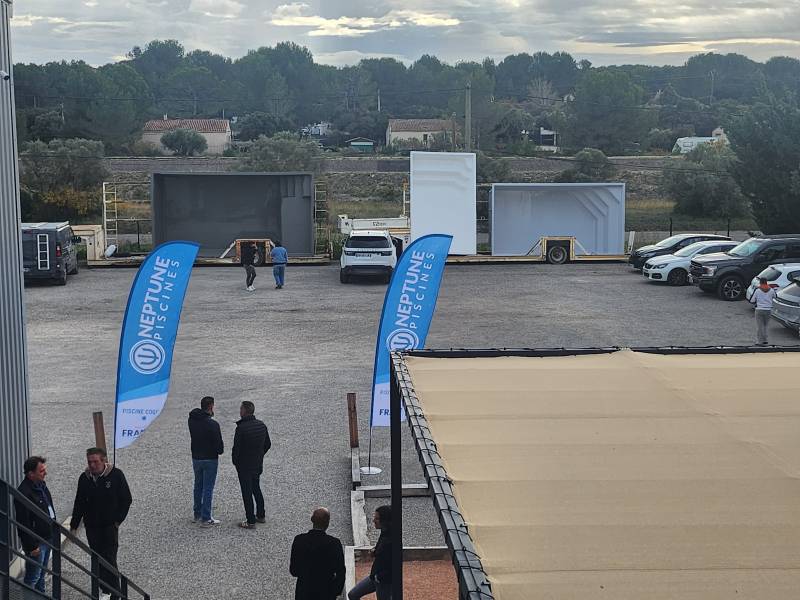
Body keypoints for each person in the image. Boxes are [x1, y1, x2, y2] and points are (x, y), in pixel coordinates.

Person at [70, 447, 132, 600]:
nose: (92, 465)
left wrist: (118, 520)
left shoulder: (116, 475)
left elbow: (126, 499)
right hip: (92, 527)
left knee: (109, 558)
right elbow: (79, 502)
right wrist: (74, 525)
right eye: (89, 462)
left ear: (103, 460)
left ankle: (115, 592)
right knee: (96, 558)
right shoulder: (84, 478)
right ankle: (104, 589)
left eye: (95, 461)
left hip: (109, 526)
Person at [15, 456, 56, 594]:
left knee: (41, 575)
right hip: (37, 543)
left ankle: (41, 596)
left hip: (47, 537)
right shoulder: (24, 493)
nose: (45, 473)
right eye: (41, 471)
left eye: (44, 469)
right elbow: (22, 522)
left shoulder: (41, 485)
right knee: (33, 578)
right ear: (31, 474)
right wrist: (32, 546)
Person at [289, 507, 346, 600]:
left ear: (312, 520)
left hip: (303, 590)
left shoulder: (299, 540)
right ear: (327, 523)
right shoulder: (334, 543)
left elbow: (294, 570)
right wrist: (335, 591)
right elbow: (341, 571)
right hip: (326, 591)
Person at [232, 401, 271, 529]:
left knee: (247, 493)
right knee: (256, 488)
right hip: (257, 464)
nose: (239, 411)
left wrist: (236, 462)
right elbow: (267, 444)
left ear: (244, 411)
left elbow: (236, 449)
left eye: (240, 408)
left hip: (244, 466)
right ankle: (261, 515)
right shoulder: (261, 425)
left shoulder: (241, 428)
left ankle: (250, 521)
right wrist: (260, 455)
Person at [188, 395, 224, 526]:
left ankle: (197, 513)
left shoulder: (192, 420)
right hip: (210, 458)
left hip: (196, 457)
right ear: (211, 406)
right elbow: (219, 446)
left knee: (198, 486)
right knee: (208, 488)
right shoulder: (213, 424)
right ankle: (206, 517)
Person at [348, 505, 392, 600]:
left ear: (384, 521)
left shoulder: (390, 540)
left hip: (383, 580)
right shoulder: (384, 533)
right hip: (375, 576)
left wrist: (379, 577)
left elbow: (391, 563)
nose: (373, 521)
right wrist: (375, 552)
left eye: (377, 518)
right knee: (352, 595)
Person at [750, 277, 777, 345]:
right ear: (766, 282)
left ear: (760, 282)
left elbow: (752, 300)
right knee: (766, 326)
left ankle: (759, 341)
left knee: (760, 326)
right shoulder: (771, 290)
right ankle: (765, 340)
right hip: (768, 310)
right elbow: (775, 296)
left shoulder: (757, 290)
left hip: (759, 310)